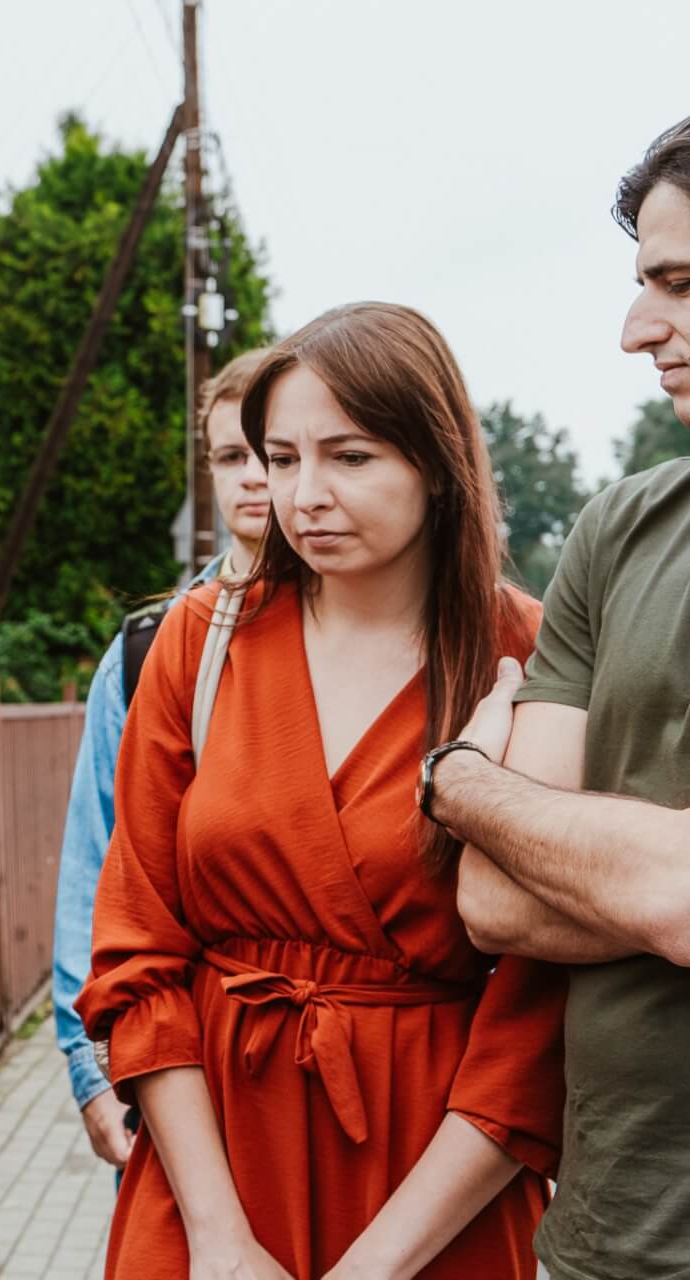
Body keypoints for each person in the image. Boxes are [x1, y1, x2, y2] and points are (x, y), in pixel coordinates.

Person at [77, 302, 565, 1278]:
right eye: (280, 456)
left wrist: (379, 1262)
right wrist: (217, 1234)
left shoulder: (527, 653)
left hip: (435, 1173)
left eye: (349, 457)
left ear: (435, 459)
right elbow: (137, 948)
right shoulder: (203, 638)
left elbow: (539, 1012)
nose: (302, 494)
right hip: (211, 1167)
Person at [428, 116, 690, 1280]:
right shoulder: (620, 528)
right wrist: (639, 873)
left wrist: (465, 781)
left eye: (680, 285)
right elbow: (492, 897)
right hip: (605, 1235)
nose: (637, 329)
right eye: (644, 283)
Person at [51, 347, 272, 1171]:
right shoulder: (150, 649)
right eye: (229, 456)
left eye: (270, 453)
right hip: (170, 1051)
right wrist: (88, 1066)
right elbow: (94, 866)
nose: (253, 476)